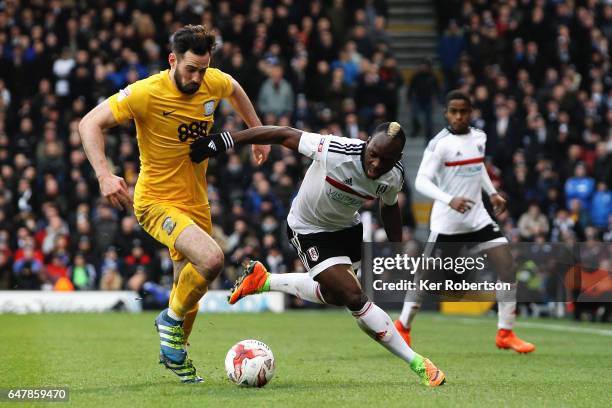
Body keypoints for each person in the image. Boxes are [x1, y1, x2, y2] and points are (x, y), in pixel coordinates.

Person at [79, 25, 269, 383]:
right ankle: (168, 320)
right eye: (190, 69)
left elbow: (236, 89)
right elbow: (89, 123)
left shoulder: (213, 81)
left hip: (196, 202)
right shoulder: (146, 93)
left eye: (203, 69)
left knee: (190, 288)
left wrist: (257, 133)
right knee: (212, 259)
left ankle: (177, 356)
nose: (197, 78)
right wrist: (104, 175)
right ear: (172, 60)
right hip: (155, 201)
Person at [190, 122, 446, 387]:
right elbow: (283, 134)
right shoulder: (335, 150)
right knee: (354, 297)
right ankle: (418, 363)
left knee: (336, 296)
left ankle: (264, 280)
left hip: (347, 230)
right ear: (367, 142)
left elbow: (390, 207)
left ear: (398, 159)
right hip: (308, 229)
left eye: (386, 159)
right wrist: (226, 140)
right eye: (373, 153)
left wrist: (396, 250)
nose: (375, 164)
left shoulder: (394, 175)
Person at [395, 90, 535, 353]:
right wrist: (449, 200)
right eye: (454, 111)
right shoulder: (439, 144)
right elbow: (421, 181)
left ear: (470, 113)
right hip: (447, 221)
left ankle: (505, 332)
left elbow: (478, 166)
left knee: (507, 266)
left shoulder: (479, 137)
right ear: (446, 113)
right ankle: (403, 326)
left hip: (477, 216)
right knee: (424, 278)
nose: (459, 116)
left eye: (464, 111)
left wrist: (492, 192)